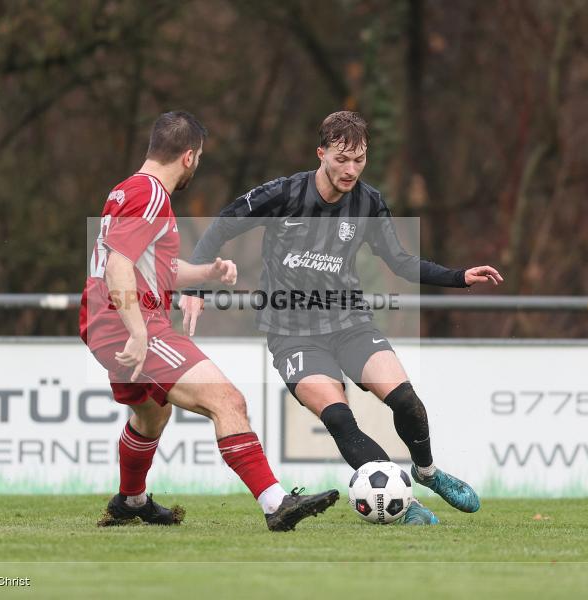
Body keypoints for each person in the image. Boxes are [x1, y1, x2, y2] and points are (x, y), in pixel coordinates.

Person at [180, 111, 503, 524]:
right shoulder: (284, 194)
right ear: (321, 154)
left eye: (360, 159)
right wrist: (193, 285)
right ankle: (405, 508)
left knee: (406, 401)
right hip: (292, 334)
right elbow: (223, 224)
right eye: (342, 159)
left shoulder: (367, 202)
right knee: (339, 418)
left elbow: (400, 262)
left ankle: (427, 472)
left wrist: (459, 276)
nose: (351, 169)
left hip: (350, 323)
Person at [80, 111, 339, 532]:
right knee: (228, 401)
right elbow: (119, 266)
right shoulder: (149, 195)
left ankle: (131, 501)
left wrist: (207, 273)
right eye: (198, 158)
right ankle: (276, 505)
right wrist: (139, 332)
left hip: (106, 320)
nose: (196, 166)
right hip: (127, 320)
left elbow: (152, 266)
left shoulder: (131, 191)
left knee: (151, 415)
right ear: (188, 157)